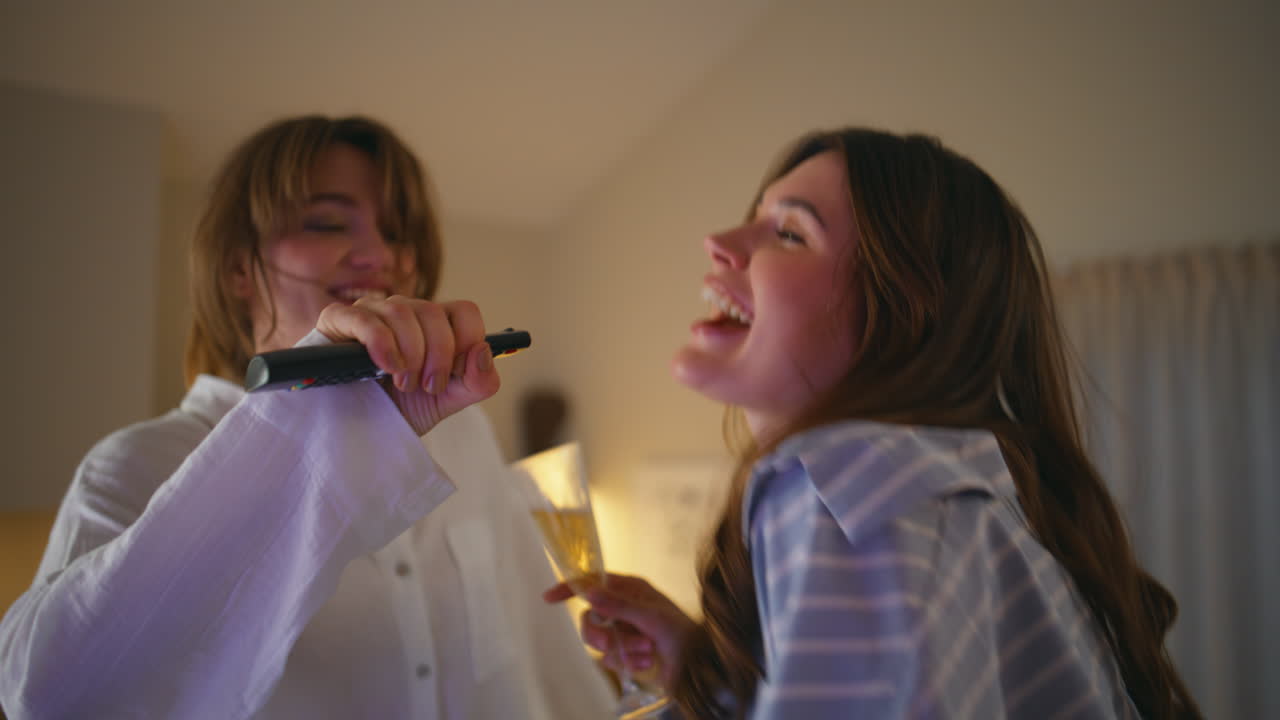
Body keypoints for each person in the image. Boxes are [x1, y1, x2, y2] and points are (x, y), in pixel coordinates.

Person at [546, 128, 1203, 718]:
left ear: (902, 316)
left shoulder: (857, 484)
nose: (718, 245)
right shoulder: (939, 492)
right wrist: (702, 669)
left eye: (789, 233)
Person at [0, 115, 615, 719]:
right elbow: (49, 699)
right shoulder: (138, 463)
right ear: (240, 269)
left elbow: (541, 652)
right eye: (325, 222)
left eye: (400, 234)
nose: (382, 257)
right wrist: (308, 429)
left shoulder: (466, 434)